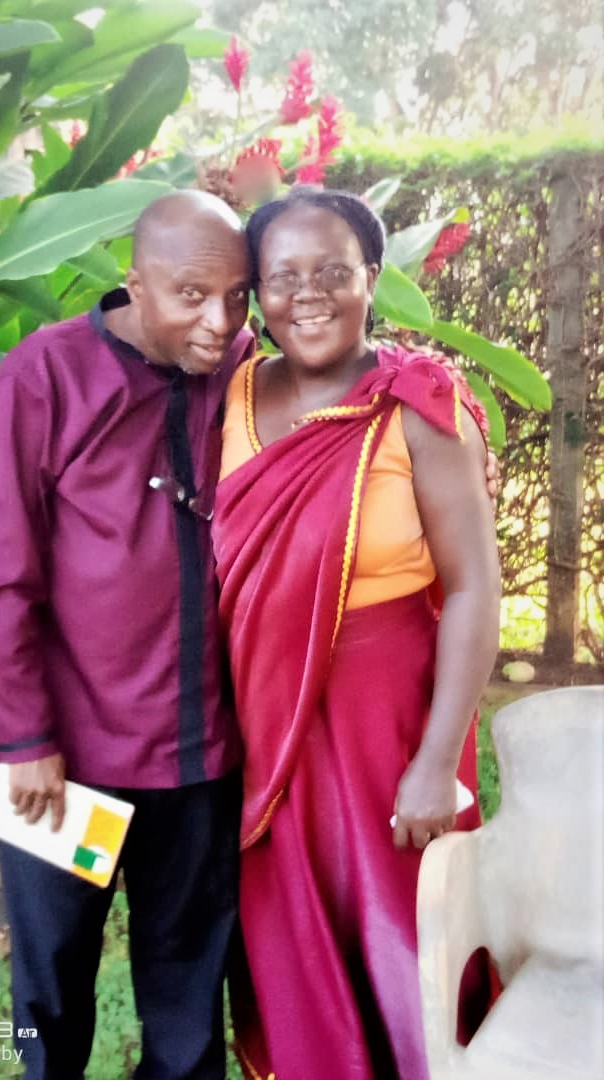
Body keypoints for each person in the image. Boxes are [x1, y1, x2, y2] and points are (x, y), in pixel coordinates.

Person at [211, 187, 501, 1080]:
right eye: (283, 277)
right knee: (292, 934)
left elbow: (474, 588)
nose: (309, 295)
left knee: (402, 939)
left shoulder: (418, 405)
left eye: (333, 272)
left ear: (373, 278)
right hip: (263, 721)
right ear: (257, 292)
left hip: (390, 725)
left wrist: (436, 761)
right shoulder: (227, 392)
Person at [0, 190, 254, 1080]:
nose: (221, 323)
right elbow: (4, 576)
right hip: (71, 768)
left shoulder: (245, 372)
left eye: (237, 296)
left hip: (201, 761)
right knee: (53, 985)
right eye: (192, 296)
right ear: (135, 285)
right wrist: (25, 740)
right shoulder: (42, 378)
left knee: (188, 987)